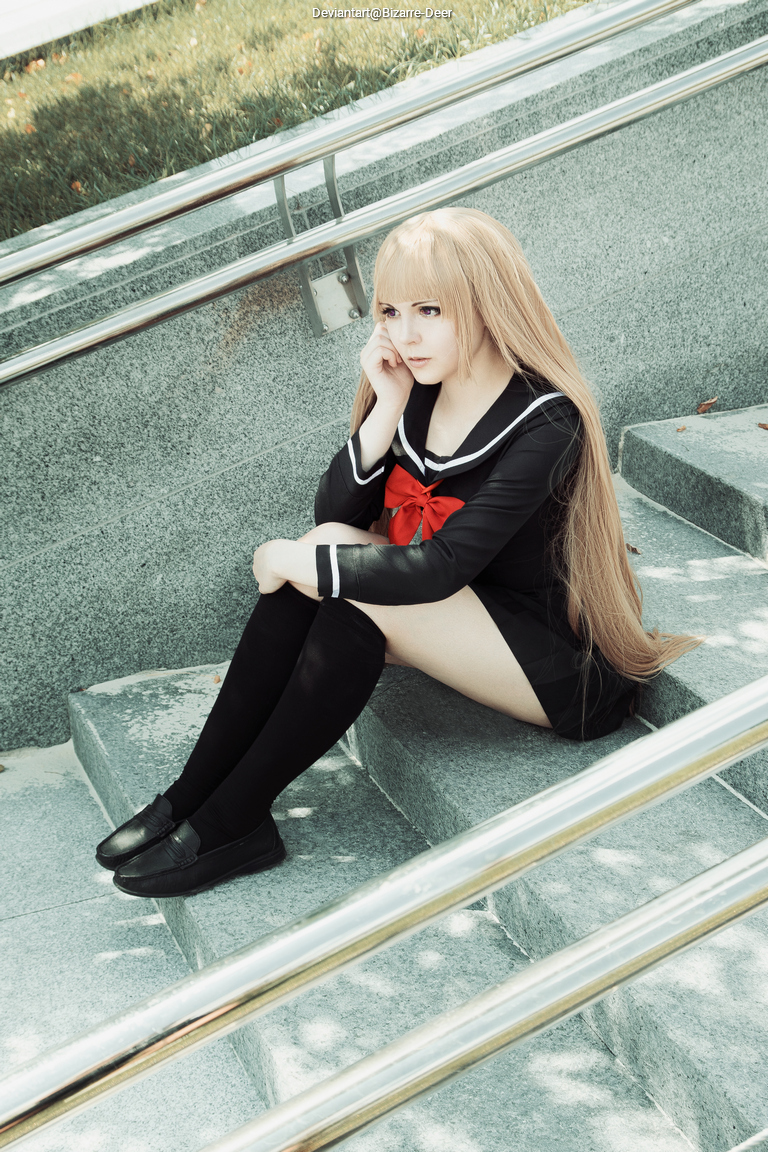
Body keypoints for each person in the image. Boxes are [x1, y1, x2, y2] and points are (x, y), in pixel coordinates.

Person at [96, 206, 701, 898]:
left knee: (330, 574)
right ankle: (193, 797)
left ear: (484, 303)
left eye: (429, 310)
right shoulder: (418, 388)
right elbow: (337, 517)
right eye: (388, 311)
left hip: (551, 662)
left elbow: (440, 568)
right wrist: (384, 407)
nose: (404, 334)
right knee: (330, 568)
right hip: (456, 620)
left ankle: (231, 820)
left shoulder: (547, 419)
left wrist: (292, 558)